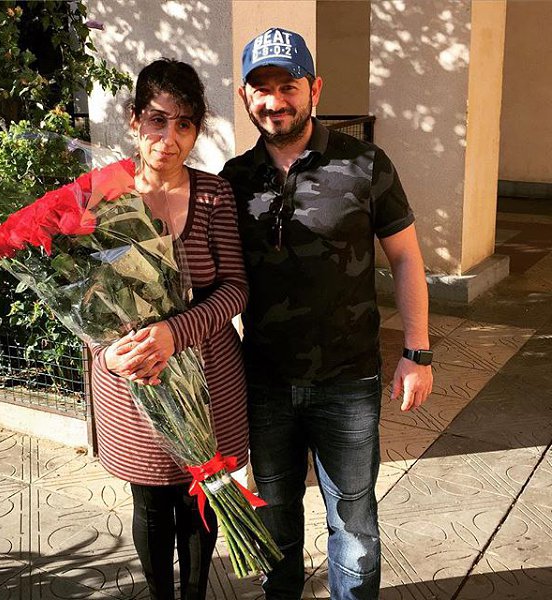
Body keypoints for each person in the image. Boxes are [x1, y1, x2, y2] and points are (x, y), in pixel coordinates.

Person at [220, 28, 433, 600]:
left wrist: (417, 352)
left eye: (287, 86)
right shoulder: (233, 179)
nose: (274, 101)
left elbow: (406, 258)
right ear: (244, 97)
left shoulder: (365, 163)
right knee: (274, 519)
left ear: (314, 89)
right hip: (264, 382)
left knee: (354, 525)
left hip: (348, 380)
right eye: (261, 89)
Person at [89, 59, 249, 600]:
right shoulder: (103, 194)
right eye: (158, 120)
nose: (169, 137)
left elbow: (235, 287)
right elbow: (80, 294)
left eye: (184, 124)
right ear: (135, 120)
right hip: (135, 381)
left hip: (210, 378)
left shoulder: (214, 195)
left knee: (203, 497)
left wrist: (177, 333)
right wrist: (105, 354)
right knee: (153, 502)